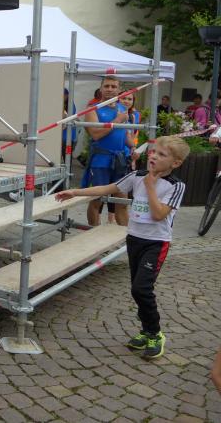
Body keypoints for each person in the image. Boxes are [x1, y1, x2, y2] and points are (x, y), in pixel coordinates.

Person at [56, 136, 189, 360]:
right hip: (134, 239)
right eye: (153, 152)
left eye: (161, 155)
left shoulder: (176, 186)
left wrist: (150, 187)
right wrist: (75, 192)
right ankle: (146, 331)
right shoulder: (136, 176)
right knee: (137, 288)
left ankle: (155, 334)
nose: (154, 156)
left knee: (141, 288)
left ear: (175, 163)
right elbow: (108, 188)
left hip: (156, 243)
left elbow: (159, 214)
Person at [82, 76, 129, 226]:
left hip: (120, 161)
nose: (110, 89)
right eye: (107, 86)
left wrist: (134, 148)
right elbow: (95, 134)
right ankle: (93, 234)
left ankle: (124, 237)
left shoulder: (123, 109)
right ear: (101, 88)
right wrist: (117, 121)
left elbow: (125, 136)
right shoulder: (93, 109)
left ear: (119, 89)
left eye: (113, 86)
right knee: (97, 200)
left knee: (122, 201)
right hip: (100, 160)